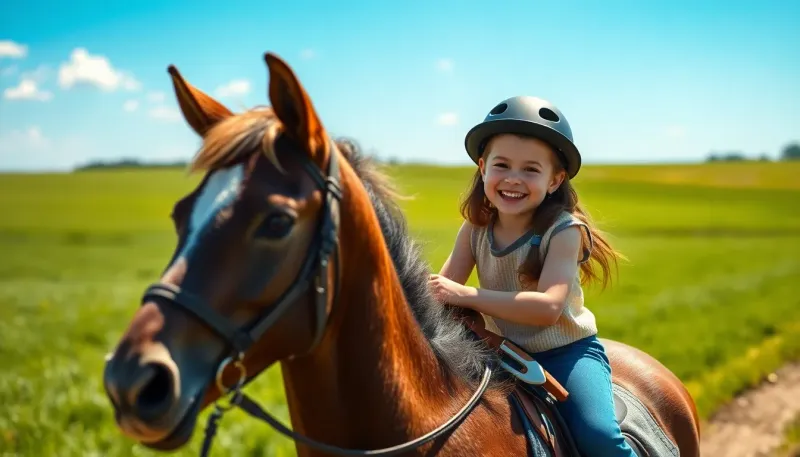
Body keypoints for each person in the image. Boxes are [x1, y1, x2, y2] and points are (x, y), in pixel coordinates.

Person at [428, 96, 634, 457]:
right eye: (502, 165)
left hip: (566, 355)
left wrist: (466, 295)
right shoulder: (475, 229)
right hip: (497, 354)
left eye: (530, 170)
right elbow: (442, 297)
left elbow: (547, 308)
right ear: (482, 167)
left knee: (597, 436)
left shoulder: (564, 231)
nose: (513, 179)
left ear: (555, 180)